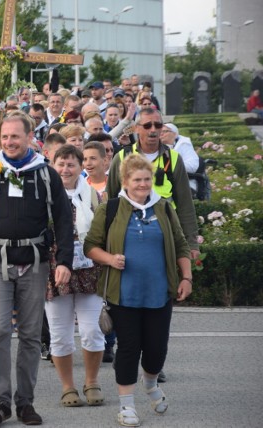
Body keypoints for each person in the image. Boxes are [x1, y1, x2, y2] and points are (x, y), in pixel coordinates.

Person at [0, 114, 74, 427]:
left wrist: (63, 260)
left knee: (29, 334)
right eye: (5, 137)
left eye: (16, 136)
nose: (10, 142)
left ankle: (25, 402)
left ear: (29, 137)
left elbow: (63, 218)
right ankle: (0, 403)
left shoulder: (45, 173)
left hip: (35, 262)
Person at [85, 154, 192, 427]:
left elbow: (180, 245)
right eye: (137, 180)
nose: (143, 184)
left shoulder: (164, 208)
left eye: (147, 179)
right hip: (123, 294)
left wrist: (186, 278)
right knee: (129, 349)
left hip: (159, 293)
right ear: (125, 181)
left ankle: (151, 383)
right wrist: (110, 259)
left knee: (156, 350)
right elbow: (91, 246)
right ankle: (127, 406)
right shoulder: (110, 209)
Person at [46, 145, 104, 408]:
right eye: (61, 164)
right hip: (54, 271)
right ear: (52, 165)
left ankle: (91, 381)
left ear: (81, 167)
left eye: (71, 164)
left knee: (93, 331)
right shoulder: (44, 195)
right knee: (60, 335)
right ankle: (67, 387)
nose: (65, 169)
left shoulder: (93, 196)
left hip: (89, 270)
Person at [106, 108, 200, 260]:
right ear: (136, 128)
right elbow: (110, 200)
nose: (153, 130)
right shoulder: (122, 157)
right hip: (129, 235)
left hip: (165, 233)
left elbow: (185, 204)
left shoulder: (174, 158)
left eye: (158, 125)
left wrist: (192, 243)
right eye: (147, 126)